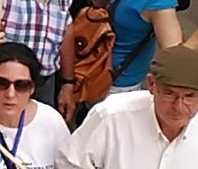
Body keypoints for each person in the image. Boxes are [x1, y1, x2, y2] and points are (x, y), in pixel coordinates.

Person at [59, 43, 198, 166]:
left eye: (190, 97)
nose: (178, 107)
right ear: (151, 84)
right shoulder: (111, 116)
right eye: (169, 94)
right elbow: (69, 163)